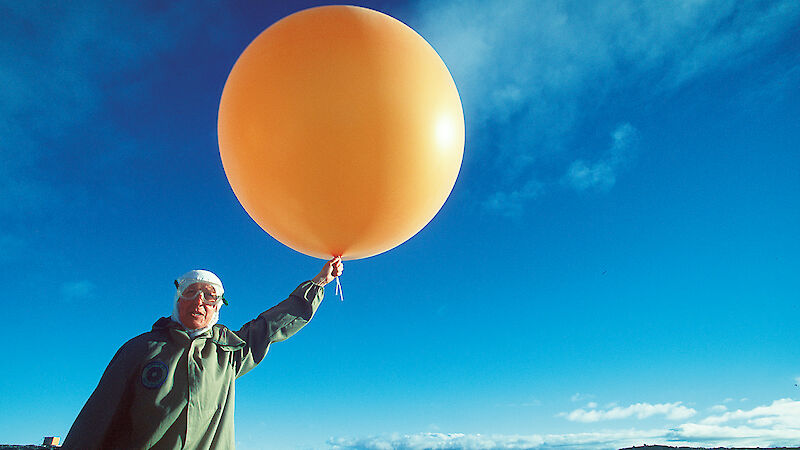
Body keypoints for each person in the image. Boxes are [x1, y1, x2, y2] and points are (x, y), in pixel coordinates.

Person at [62, 257, 343, 450]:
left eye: (210, 295)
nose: (200, 301)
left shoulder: (229, 351)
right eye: (191, 292)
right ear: (178, 299)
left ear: (218, 305)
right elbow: (96, 417)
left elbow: (273, 324)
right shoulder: (139, 349)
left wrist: (318, 282)